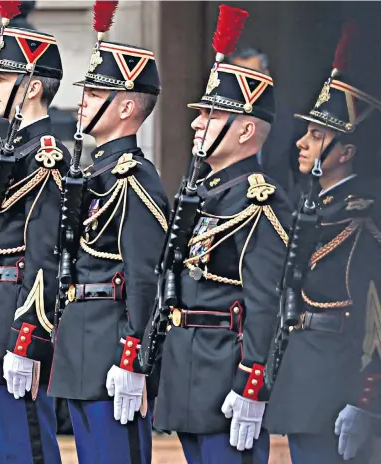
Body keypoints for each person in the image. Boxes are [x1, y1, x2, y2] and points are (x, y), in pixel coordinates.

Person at [153, 20, 293, 464]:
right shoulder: (204, 193)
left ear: (246, 131)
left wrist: (253, 384)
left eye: (211, 114)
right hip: (189, 371)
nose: (197, 122)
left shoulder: (259, 201)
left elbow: (265, 303)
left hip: (226, 376)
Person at [47, 30, 169, 463]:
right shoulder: (96, 171)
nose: (82, 100)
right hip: (82, 340)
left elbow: (143, 277)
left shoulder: (135, 178)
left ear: (126, 106)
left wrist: (133, 354)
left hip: (113, 348)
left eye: (95, 91)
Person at [264, 28, 381, 463]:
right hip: (303, 376)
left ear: (345, 151)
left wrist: (367, 398)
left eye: (315, 136)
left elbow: (375, 312)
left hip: (341, 380)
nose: (301, 142)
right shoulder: (311, 206)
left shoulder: (365, 211)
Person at [0, 22, 70, 464]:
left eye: (2, 78)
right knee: (5, 448)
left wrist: (26, 339)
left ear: (33, 87)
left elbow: (43, 254)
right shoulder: (13, 147)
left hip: (15, 318)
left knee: (27, 448)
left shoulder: (45, 154)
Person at [226, 46, 302, 195]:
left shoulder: (288, 118)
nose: (249, 83)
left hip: (277, 203)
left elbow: (300, 173)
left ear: (266, 75)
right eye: (241, 77)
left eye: (254, 76)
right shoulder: (219, 118)